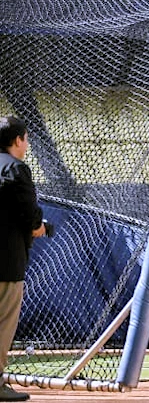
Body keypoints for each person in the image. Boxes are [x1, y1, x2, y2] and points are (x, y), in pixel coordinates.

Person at [0, 116, 46, 402]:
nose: (27, 144)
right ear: (18, 140)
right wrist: (39, 227)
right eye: (26, 139)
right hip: (6, 263)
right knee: (3, 323)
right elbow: (32, 218)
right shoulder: (17, 169)